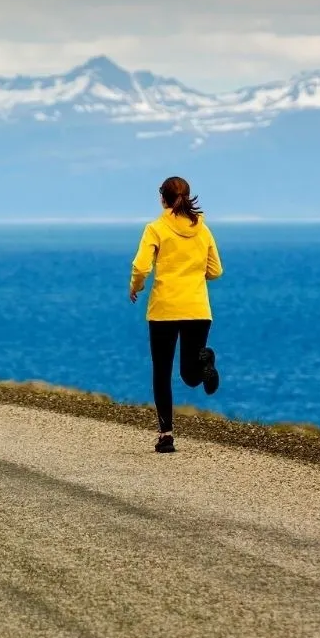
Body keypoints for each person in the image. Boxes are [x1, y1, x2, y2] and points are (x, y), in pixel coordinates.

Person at [129, 176, 223, 453]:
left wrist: (136, 287)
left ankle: (166, 435)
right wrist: (193, 272)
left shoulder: (156, 228)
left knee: (162, 371)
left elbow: (141, 266)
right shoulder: (203, 231)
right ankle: (206, 360)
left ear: (163, 199)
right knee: (190, 375)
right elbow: (216, 270)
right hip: (197, 308)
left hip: (165, 309)